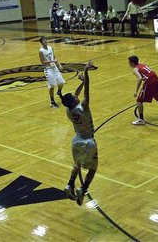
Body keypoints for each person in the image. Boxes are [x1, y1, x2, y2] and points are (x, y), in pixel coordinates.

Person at [62, 61, 98, 206]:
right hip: (88, 141)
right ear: (75, 101)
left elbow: (75, 95)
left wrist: (81, 83)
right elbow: (87, 92)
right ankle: (83, 189)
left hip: (76, 140)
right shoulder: (84, 107)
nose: (76, 96)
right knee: (93, 168)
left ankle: (70, 185)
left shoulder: (69, 110)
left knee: (77, 164)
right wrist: (86, 72)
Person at [128, 56, 158, 125]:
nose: (128, 63)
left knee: (139, 100)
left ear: (132, 63)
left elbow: (140, 78)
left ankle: (141, 119)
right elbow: (149, 73)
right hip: (156, 79)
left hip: (150, 82)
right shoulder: (142, 65)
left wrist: (136, 91)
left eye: (129, 62)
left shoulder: (135, 69)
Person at [39, 36, 65, 108]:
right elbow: (43, 62)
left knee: (61, 82)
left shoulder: (51, 48)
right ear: (41, 43)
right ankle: (52, 101)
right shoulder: (41, 51)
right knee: (52, 86)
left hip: (54, 68)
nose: (45, 41)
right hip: (48, 69)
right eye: (43, 40)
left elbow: (54, 58)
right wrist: (51, 61)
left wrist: (59, 64)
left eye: (45, 40)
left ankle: (59, 91)